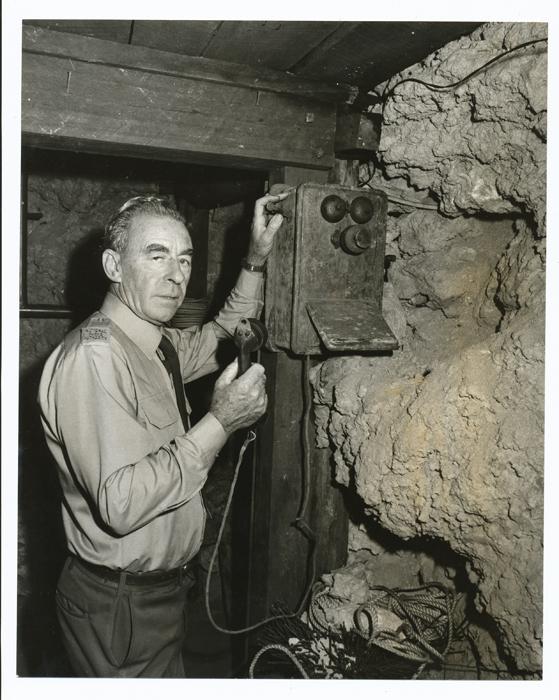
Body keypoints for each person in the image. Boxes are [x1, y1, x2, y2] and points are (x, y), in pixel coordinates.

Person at [38, 191, 287, 678]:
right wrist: (221, 421)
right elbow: (120, 504)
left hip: (160, 593)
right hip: (121, 605)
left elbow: (221, 332)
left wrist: (255, 258)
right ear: (113, 265)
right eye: (157, 256)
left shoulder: (155, 341)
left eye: (185, 259)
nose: (176, 276)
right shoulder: (95, 356)